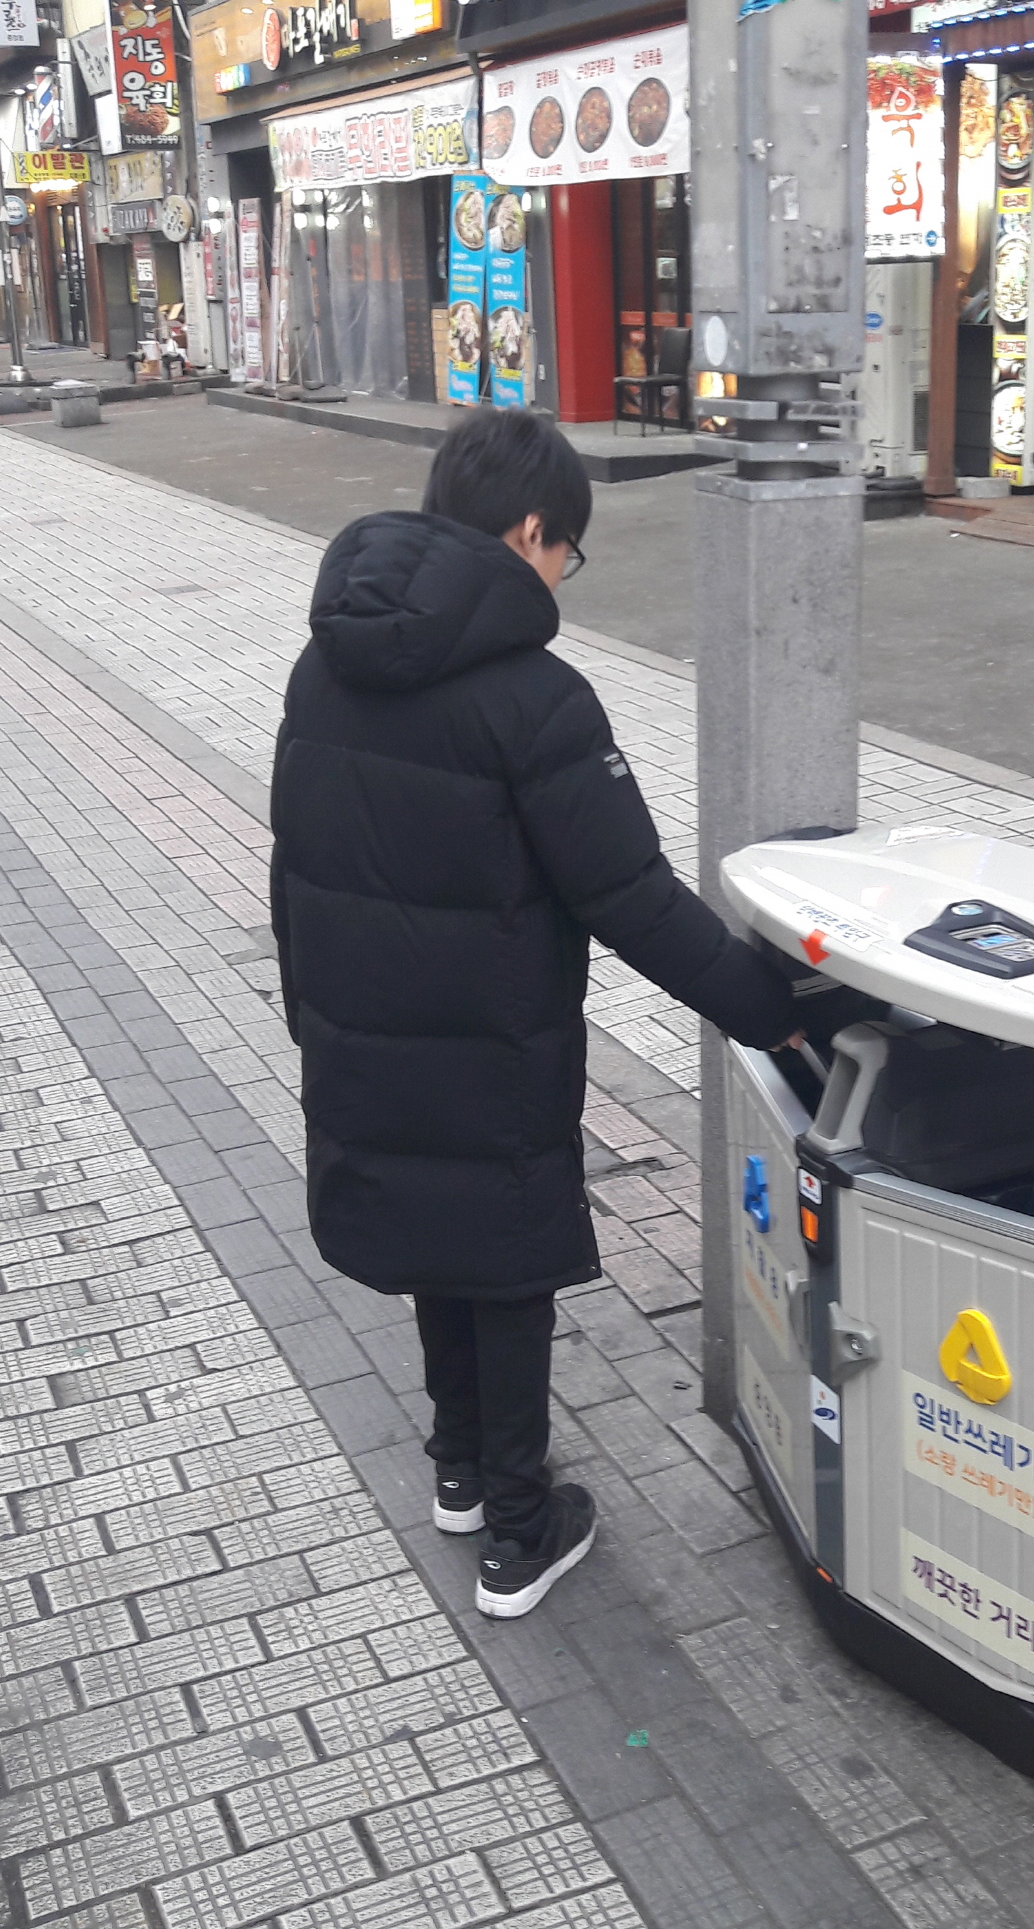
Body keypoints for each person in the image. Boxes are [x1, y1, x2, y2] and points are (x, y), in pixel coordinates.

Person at [270, 409, 799, 1619]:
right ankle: (519, 1527)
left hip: (361, 1023)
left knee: (431, 1244)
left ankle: (460, 1467)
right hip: (491, 1042)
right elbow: (631, 900)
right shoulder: (537, 697)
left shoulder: (326, 659)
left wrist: (313, 1014)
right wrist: (773, 1013)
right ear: (526, 531)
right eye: (568, 548)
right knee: (502, 1269)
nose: (564, 572)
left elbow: (291, 857)